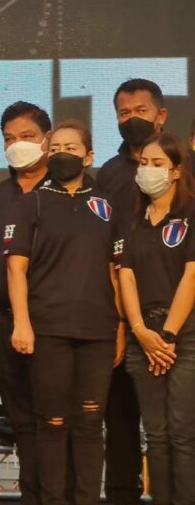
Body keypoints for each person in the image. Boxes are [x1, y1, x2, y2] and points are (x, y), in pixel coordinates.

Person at [6, 121, 124, 505]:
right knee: (53, 424)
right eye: (54, 148)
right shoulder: (32, 203)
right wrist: (22, 322)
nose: (61, 154)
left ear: (89, 157)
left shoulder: (107, 205)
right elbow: (16, 268)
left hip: (99, 331)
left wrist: (121, 325)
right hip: (47, 330)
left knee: (90, 423)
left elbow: (116, 270)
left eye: (70, 148)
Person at [0, 101, 50, 505]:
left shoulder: (65, 190)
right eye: (9, 139)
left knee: (52, 421)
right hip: (2, 324)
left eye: (27, 136)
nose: (17, 145)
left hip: (50, 324)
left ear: (47, 139)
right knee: (21, 422)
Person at [97, 78, 165, 505]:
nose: (132, 119)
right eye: (124, 113)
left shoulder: (185, 165)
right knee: (120, 422)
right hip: (121, 314)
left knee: (173, 427)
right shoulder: (108, 173)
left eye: (141, 111)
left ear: (161, 116)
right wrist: (123, 319)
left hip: (175, 314)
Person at [117, 132, 195, 505]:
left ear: (176, 171)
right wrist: (139, 330)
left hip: (183, 337)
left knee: (182, 433)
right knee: (156, 434)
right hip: (142, 336)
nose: (148, 170)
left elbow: (192, 277)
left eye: (158, 164)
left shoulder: (191, 213)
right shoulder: (134, 219)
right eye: (143, 163)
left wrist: (167, 335)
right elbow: (126, 276)